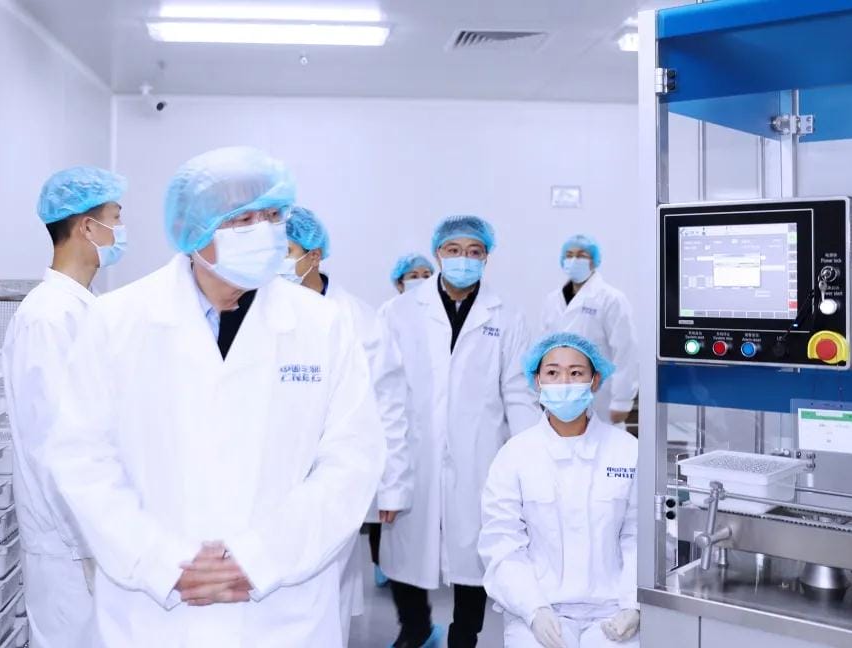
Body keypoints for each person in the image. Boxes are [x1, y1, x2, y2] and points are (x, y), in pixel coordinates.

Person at [43, 146, 386, 647]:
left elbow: (353, 460)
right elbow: (81, 457)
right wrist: (161, 563)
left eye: (274, 216)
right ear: (194, 228)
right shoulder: (117, 320)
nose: (265, 232)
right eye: (244, 219)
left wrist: (260, 558)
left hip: (281, 611)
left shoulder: (324, 324)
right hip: (154, 611)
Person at [379, 215, 540, 648]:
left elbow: (518, 395)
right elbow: (385, 394)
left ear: (487, 257)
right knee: (407, 551)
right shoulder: (399, 313)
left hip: (480, 455)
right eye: (453, 250)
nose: (463, 259)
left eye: (474, 251)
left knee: (476, 552)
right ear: (438, 253)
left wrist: (528, 467)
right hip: (413, 452)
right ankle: (415, 628)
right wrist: (388, 476)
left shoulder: (506, 315)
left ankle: (464, 635)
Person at [1, 166, 127, 648]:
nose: (121, 230)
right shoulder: (48, 317)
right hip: (68, 544)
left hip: (89, 535)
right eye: (116, 217)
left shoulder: (82, 307)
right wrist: (91, 539)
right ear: (88, 227)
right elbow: (53, 444)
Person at [281, 206, 412, 631]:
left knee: (329, 587)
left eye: (286, 251)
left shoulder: (359, 319)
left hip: (334, 473)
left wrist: (392, 485)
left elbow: (388, 404)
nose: (276, 261)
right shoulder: (255, 308)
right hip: (271, 473)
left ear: (314, 255)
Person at [479, 332, 639, 648]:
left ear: (595, 381)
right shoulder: (515, 455)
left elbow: (638, 536)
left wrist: (633, 604)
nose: (564, 381)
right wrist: (533, 609)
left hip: (612, 610)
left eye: (576, 373)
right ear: (537, 381)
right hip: (539, 607)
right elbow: (502, 544)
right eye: (553, 372)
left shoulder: (627, 451)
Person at [540, 235, 638, 425]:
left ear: (594, 261)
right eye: (569, 255)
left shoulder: (611, 299)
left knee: (602, 440)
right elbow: (544, 349)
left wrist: (622, 401)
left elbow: (626, 351)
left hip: (601, 398)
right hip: (559, 395)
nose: (574, 260)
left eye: (581, 255)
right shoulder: (552, 300)